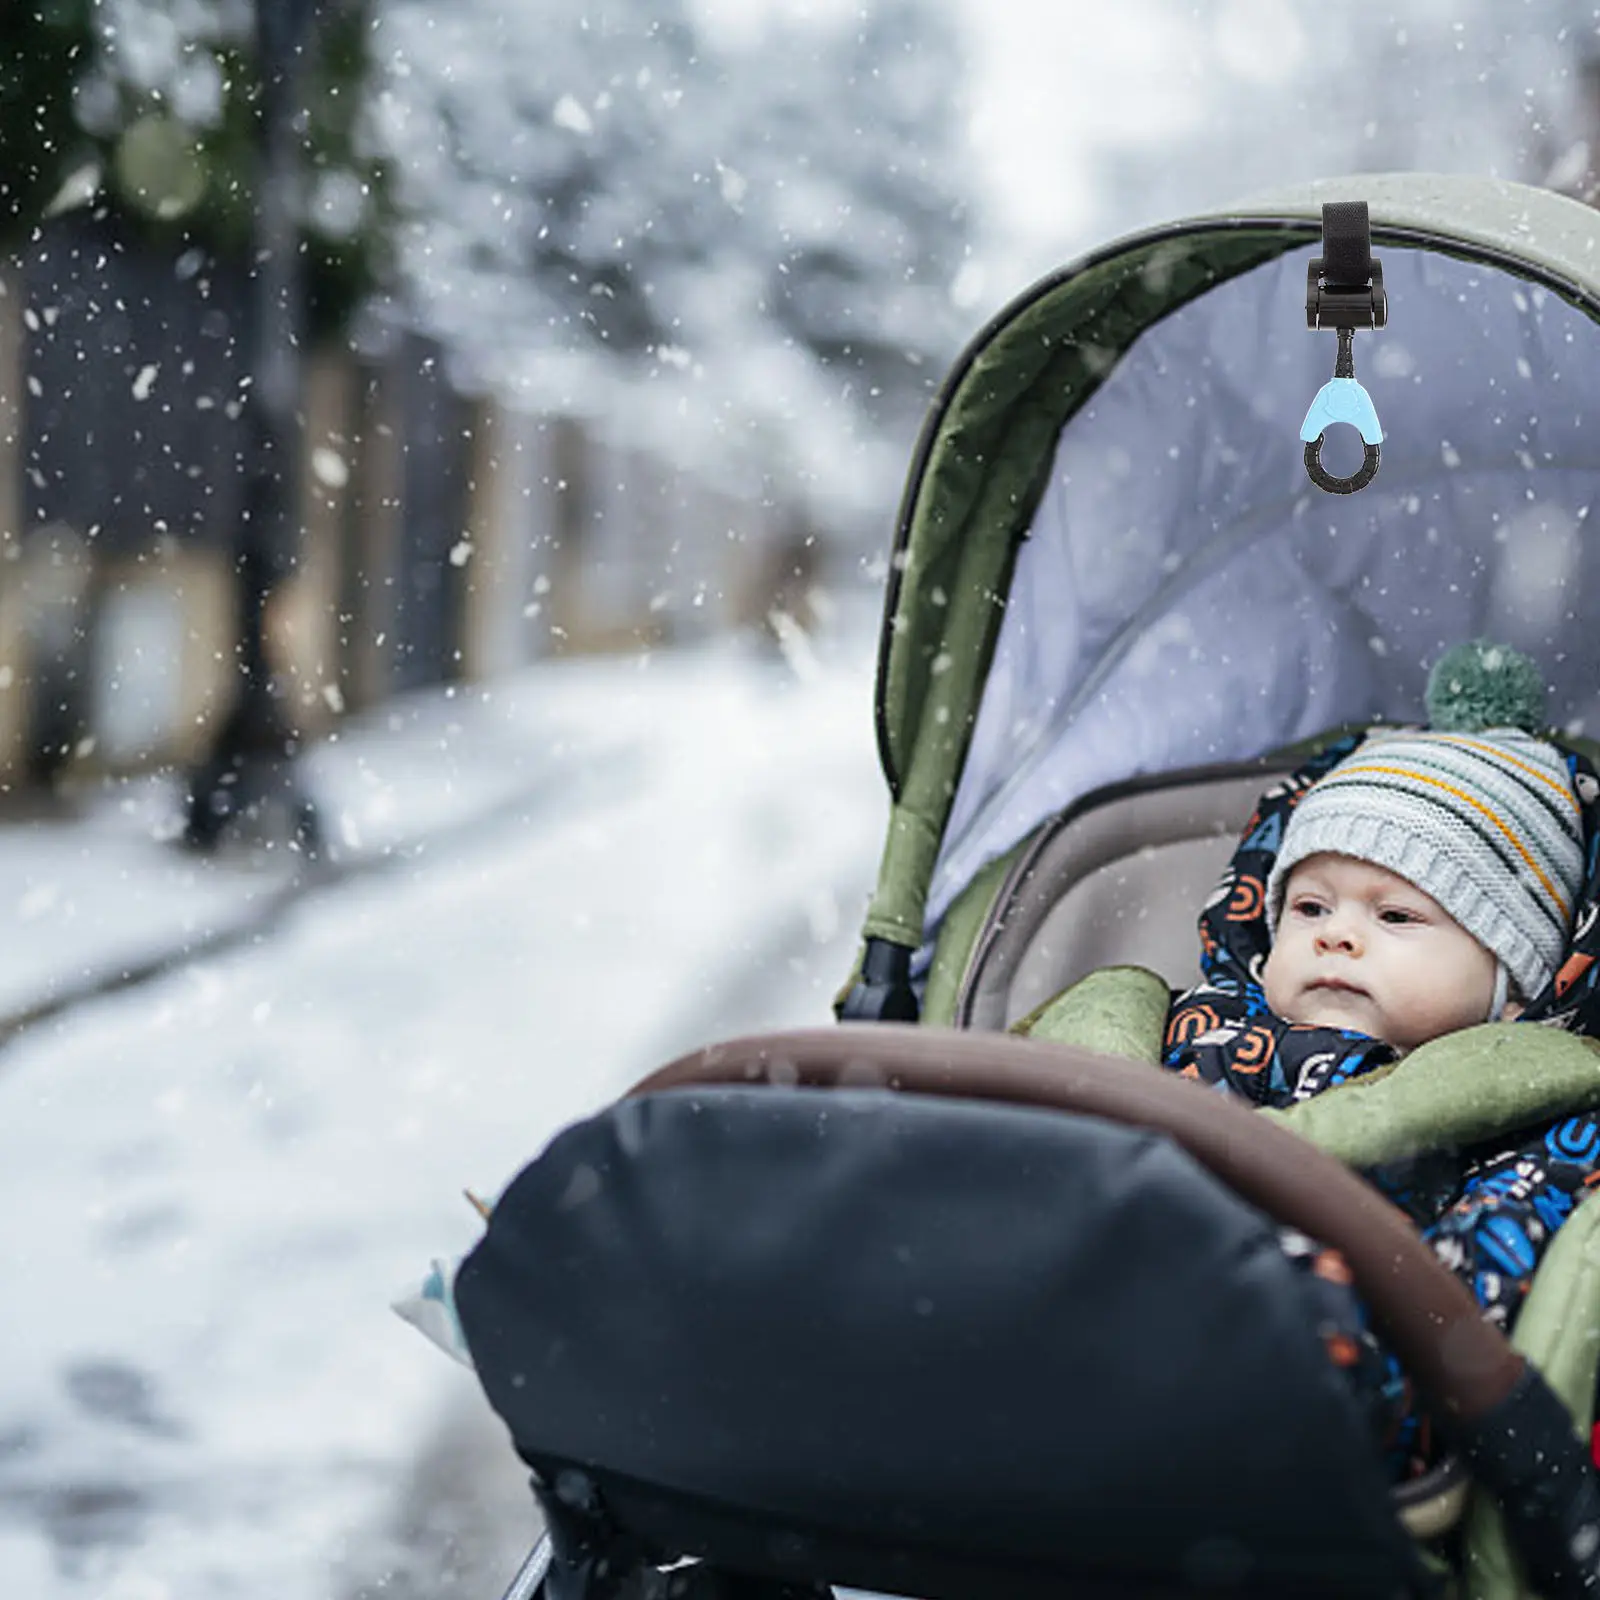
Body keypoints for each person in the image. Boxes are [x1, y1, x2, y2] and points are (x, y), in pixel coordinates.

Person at [1161, 641, 1600, 1475]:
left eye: (1395, 917)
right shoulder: (1197, 1027)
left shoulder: (1535, 1126)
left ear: (1515, 988)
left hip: (1301, 1370)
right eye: (1309, 907)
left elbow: (1463, 1304)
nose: (1337, 934)